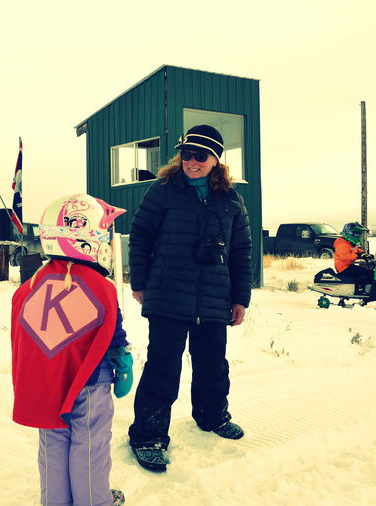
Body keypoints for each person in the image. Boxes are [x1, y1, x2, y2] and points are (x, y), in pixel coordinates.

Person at [127, 124, 253, 472]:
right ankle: (148, 435)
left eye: (200, 155)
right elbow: (140, 235)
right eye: (187, 154)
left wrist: (240, 297)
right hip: (168, 294)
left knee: (213, 364)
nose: (192, 161)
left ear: (216, 160)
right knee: (162, 367)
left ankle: (212, 416)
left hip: (214, 297)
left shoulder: (230, 200)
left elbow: (242, 250)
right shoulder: (164, 191)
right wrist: (140, 281)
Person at [10, 193, 131, 506]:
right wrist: (122, 359)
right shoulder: (100, 286)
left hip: (46, 383)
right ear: (87, 237)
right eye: (103, 233)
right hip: (90, 382)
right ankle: (94, 501)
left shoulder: (31, 285)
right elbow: (113, 332)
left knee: (53, 441)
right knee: (90, 443)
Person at [334, 222, 372, 293]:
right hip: (343, 268)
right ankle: (361, 291)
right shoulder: (342, 244)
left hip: (347, 266)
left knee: (367, 272)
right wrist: (357, 255)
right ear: (349, 233)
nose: (358, 237)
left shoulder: (348, 243)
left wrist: (363, 254)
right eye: (356, 234)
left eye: (359, 235)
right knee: (365, 274)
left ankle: (367, 289)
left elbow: (356, 250)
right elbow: (345, 257)